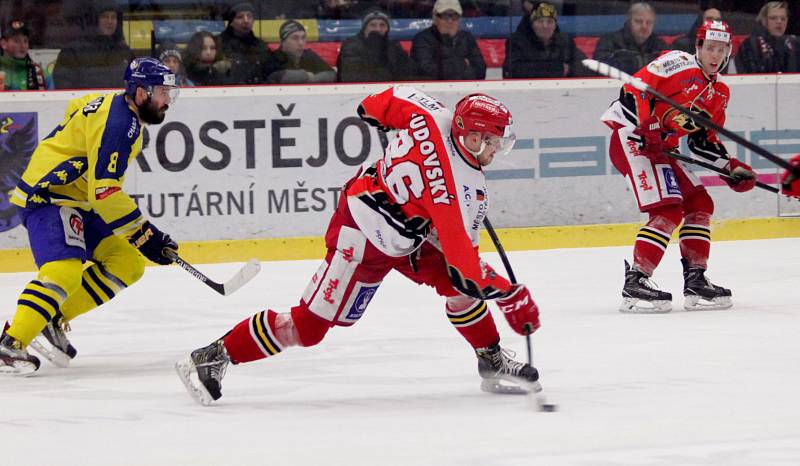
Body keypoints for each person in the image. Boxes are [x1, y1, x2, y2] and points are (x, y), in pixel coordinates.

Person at [176, 86, 541, 405]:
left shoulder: (430, 113)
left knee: (453, 285)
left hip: (401, 226)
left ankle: (489, 357)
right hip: (363, 234)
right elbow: (468, 268)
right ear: (471, 139)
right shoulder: (461, 193)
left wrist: (391, 130)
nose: (497, 150)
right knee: (309, 328)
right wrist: (512, 295)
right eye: (493, 142)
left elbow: (373, 104)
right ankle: (214, 355)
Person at [0, 58, 180, 375]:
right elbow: (105, 191)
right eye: (163, 92)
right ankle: (10, 343)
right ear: (141, 92)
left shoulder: (118, 108)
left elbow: (76, 107)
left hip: (75, 198)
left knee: (127, 263)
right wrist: (144, 234)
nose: (168, 101)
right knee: (63, 271)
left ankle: (51, 317)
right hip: (49, 195)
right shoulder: (120, 126)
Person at [600, 20, 757, 314]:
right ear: (698, 47)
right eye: (709, 47)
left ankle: (696, 279)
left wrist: (730, 168)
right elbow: (635, 88)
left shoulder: (721, 92)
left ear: (728, 53)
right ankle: (636, 281)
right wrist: (647, 125)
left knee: (700, 202)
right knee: (668, 209)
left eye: (720, 49)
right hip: (632, 137)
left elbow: (702, 141)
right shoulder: (678, 63)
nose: (714, 54)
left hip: (662, 146)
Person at [52, 0, 134, 89]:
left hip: (118, 101)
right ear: (94, 20)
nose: (110, 21)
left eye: (113, 17)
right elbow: (63, 83)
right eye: (105, 17)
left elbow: (136, 82)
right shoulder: (73, 51)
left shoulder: (124, 51)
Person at [502, 2, 588, 79]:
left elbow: (585, 66)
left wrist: (570, 69)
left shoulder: (564, 41)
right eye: (540, 21)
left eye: (550, 22)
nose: (545, 26)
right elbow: (511, 71)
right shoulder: (517, 41)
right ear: (532, 24)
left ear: (555, 25)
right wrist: (558, 69)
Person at [337, 9, 419, 83]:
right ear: (364, 28)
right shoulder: (351, 45)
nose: (378, 29)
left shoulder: (393, 45)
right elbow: (352, 76)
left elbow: (411, 72)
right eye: (373, 25)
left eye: (382, 25)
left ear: (388, 29)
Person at [411, 0, 486, 80]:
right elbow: (425, 72)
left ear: (460, 19)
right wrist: (463, 64)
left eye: (454, 16)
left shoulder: (467, 38)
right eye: (445, 16)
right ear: (435, 18)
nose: (450, 21)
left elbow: (480, 71)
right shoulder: (422, 39)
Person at [594, 2, 668, 75]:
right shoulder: (610, 41)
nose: (644, 26)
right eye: (639, 21)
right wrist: (632, 63)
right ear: (629, 22)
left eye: (649, 22)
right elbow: (598, 68)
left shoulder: (660, 46)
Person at [218, 2, 278, 85]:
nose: (246, 20)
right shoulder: (218, 43)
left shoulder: (261, 46)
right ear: (231, 22)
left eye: (249, 16)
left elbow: (271, 73)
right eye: (240, 17)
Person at [735, 1, 799, 74]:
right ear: (764, 20)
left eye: (783, 18)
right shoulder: (750, 45)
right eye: (773, 18)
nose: (779, 21)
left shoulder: (794, 44)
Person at [267, 20, 336, 84]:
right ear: (282, 41)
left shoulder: (309, 55)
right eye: (295, 38)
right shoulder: (273, 59)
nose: (301, 43)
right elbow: (274, 78)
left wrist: (311, 80)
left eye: (303, 38)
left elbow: (332, 74)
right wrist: (304, 76)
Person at [0, 19, 54, 90]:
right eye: (17, 41)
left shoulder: (43, 74)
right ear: (4, 44)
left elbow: (52, 100)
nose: (23, 46)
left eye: (25, 41)